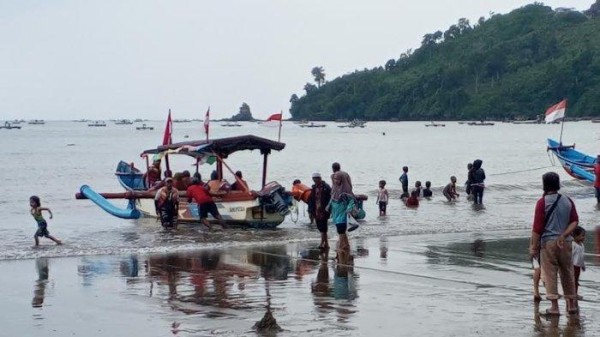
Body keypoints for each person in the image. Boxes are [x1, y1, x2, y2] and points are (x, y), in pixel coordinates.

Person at [529, 172, 579, 315]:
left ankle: (554, 306)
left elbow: (537, 228)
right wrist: (564, 234)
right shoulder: (567, 200)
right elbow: (575, 221)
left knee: (550, 273)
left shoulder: (542, 202)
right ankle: (571, 305)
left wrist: (533, 247)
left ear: (544, 184)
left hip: (548, 243)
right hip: (566, 243)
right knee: (567, 272)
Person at [329, 168, 357, 262]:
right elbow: (332, 199)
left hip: (343, 211)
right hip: (335, 212)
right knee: (340, 229)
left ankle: (341, 246)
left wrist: (349, 209)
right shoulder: (334, 188)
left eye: (338, 179)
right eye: (335, 179)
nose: (336, 181)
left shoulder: (346, 189)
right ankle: (346, 245)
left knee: (341, 229)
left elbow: (351, 200)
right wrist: (328, 207)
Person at [307, 173, 332, 250]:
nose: (315, 180)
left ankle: (322, 243)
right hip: (316, 210)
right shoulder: (314, 188)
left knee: (323, 227)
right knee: (320, 227)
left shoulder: (326, 187)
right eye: (313, 179)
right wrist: (310, 210)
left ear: (320, 178)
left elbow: (330, 198)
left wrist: (329, 209)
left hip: (324, 210)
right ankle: (326, 243)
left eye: (316, 179)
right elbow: (311, 200)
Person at [572, 226, 586, 300]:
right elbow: (570, 256)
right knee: (573, 280)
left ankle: (575, 293)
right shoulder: (573, 244)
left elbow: (581, 256)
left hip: (578, 266)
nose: (584, 238)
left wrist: (582, 265)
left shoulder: (582, 245)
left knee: (576, 280)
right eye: (582, 236)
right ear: (575, 236)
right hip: (573, 266)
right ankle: (572, 293)